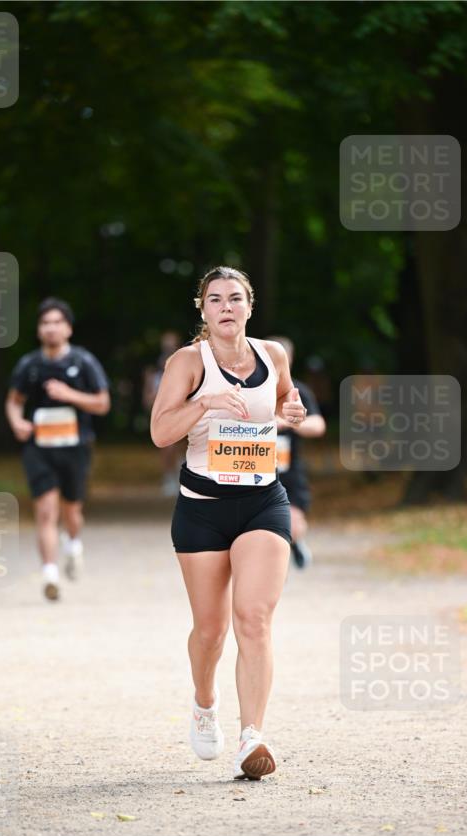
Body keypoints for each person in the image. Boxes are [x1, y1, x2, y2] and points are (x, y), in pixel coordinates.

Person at [150, 266, 307, 780]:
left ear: (249, 306)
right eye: (215, 299)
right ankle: (204, 701)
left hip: (263, 500)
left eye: (235, 298)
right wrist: (205, 402)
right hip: (202, 509)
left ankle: (252, 737)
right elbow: (159, 432)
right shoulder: (187, 363)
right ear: (202, 308)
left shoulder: (272, 355)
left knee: (254, 617)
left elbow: (285, 397)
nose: (226, 307)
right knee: (211, 630)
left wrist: (293, 407)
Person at [5, 298, 110, 600]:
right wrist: (17, 423)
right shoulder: (29, 365)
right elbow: (14, 401)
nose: (51, 328)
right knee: (45, 509)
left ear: (68, 328)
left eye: (56, 322)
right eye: (45, 323)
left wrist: (69, 394)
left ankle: (73, 543)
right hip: (39, 447)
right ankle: (49, 573)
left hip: (76, 446)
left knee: (72, 510)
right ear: (39, 330)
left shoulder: (83, 362)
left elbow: (103, 404)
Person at [272, 338, 327, 568]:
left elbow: (318, 425)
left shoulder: (297, 390)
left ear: (289, 359)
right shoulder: (249, 387)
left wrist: (291, 424)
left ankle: (295, 543)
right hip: (251, 467)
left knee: (293, 525)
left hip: (288, 469)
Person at [142, 331, 184, 496]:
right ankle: (169, 477)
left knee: (183, 445)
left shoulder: (185, 363)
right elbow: (148, 397)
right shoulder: (154, 370)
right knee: (167, 446)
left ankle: (182, 473)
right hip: (165, 414)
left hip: (181, 412)